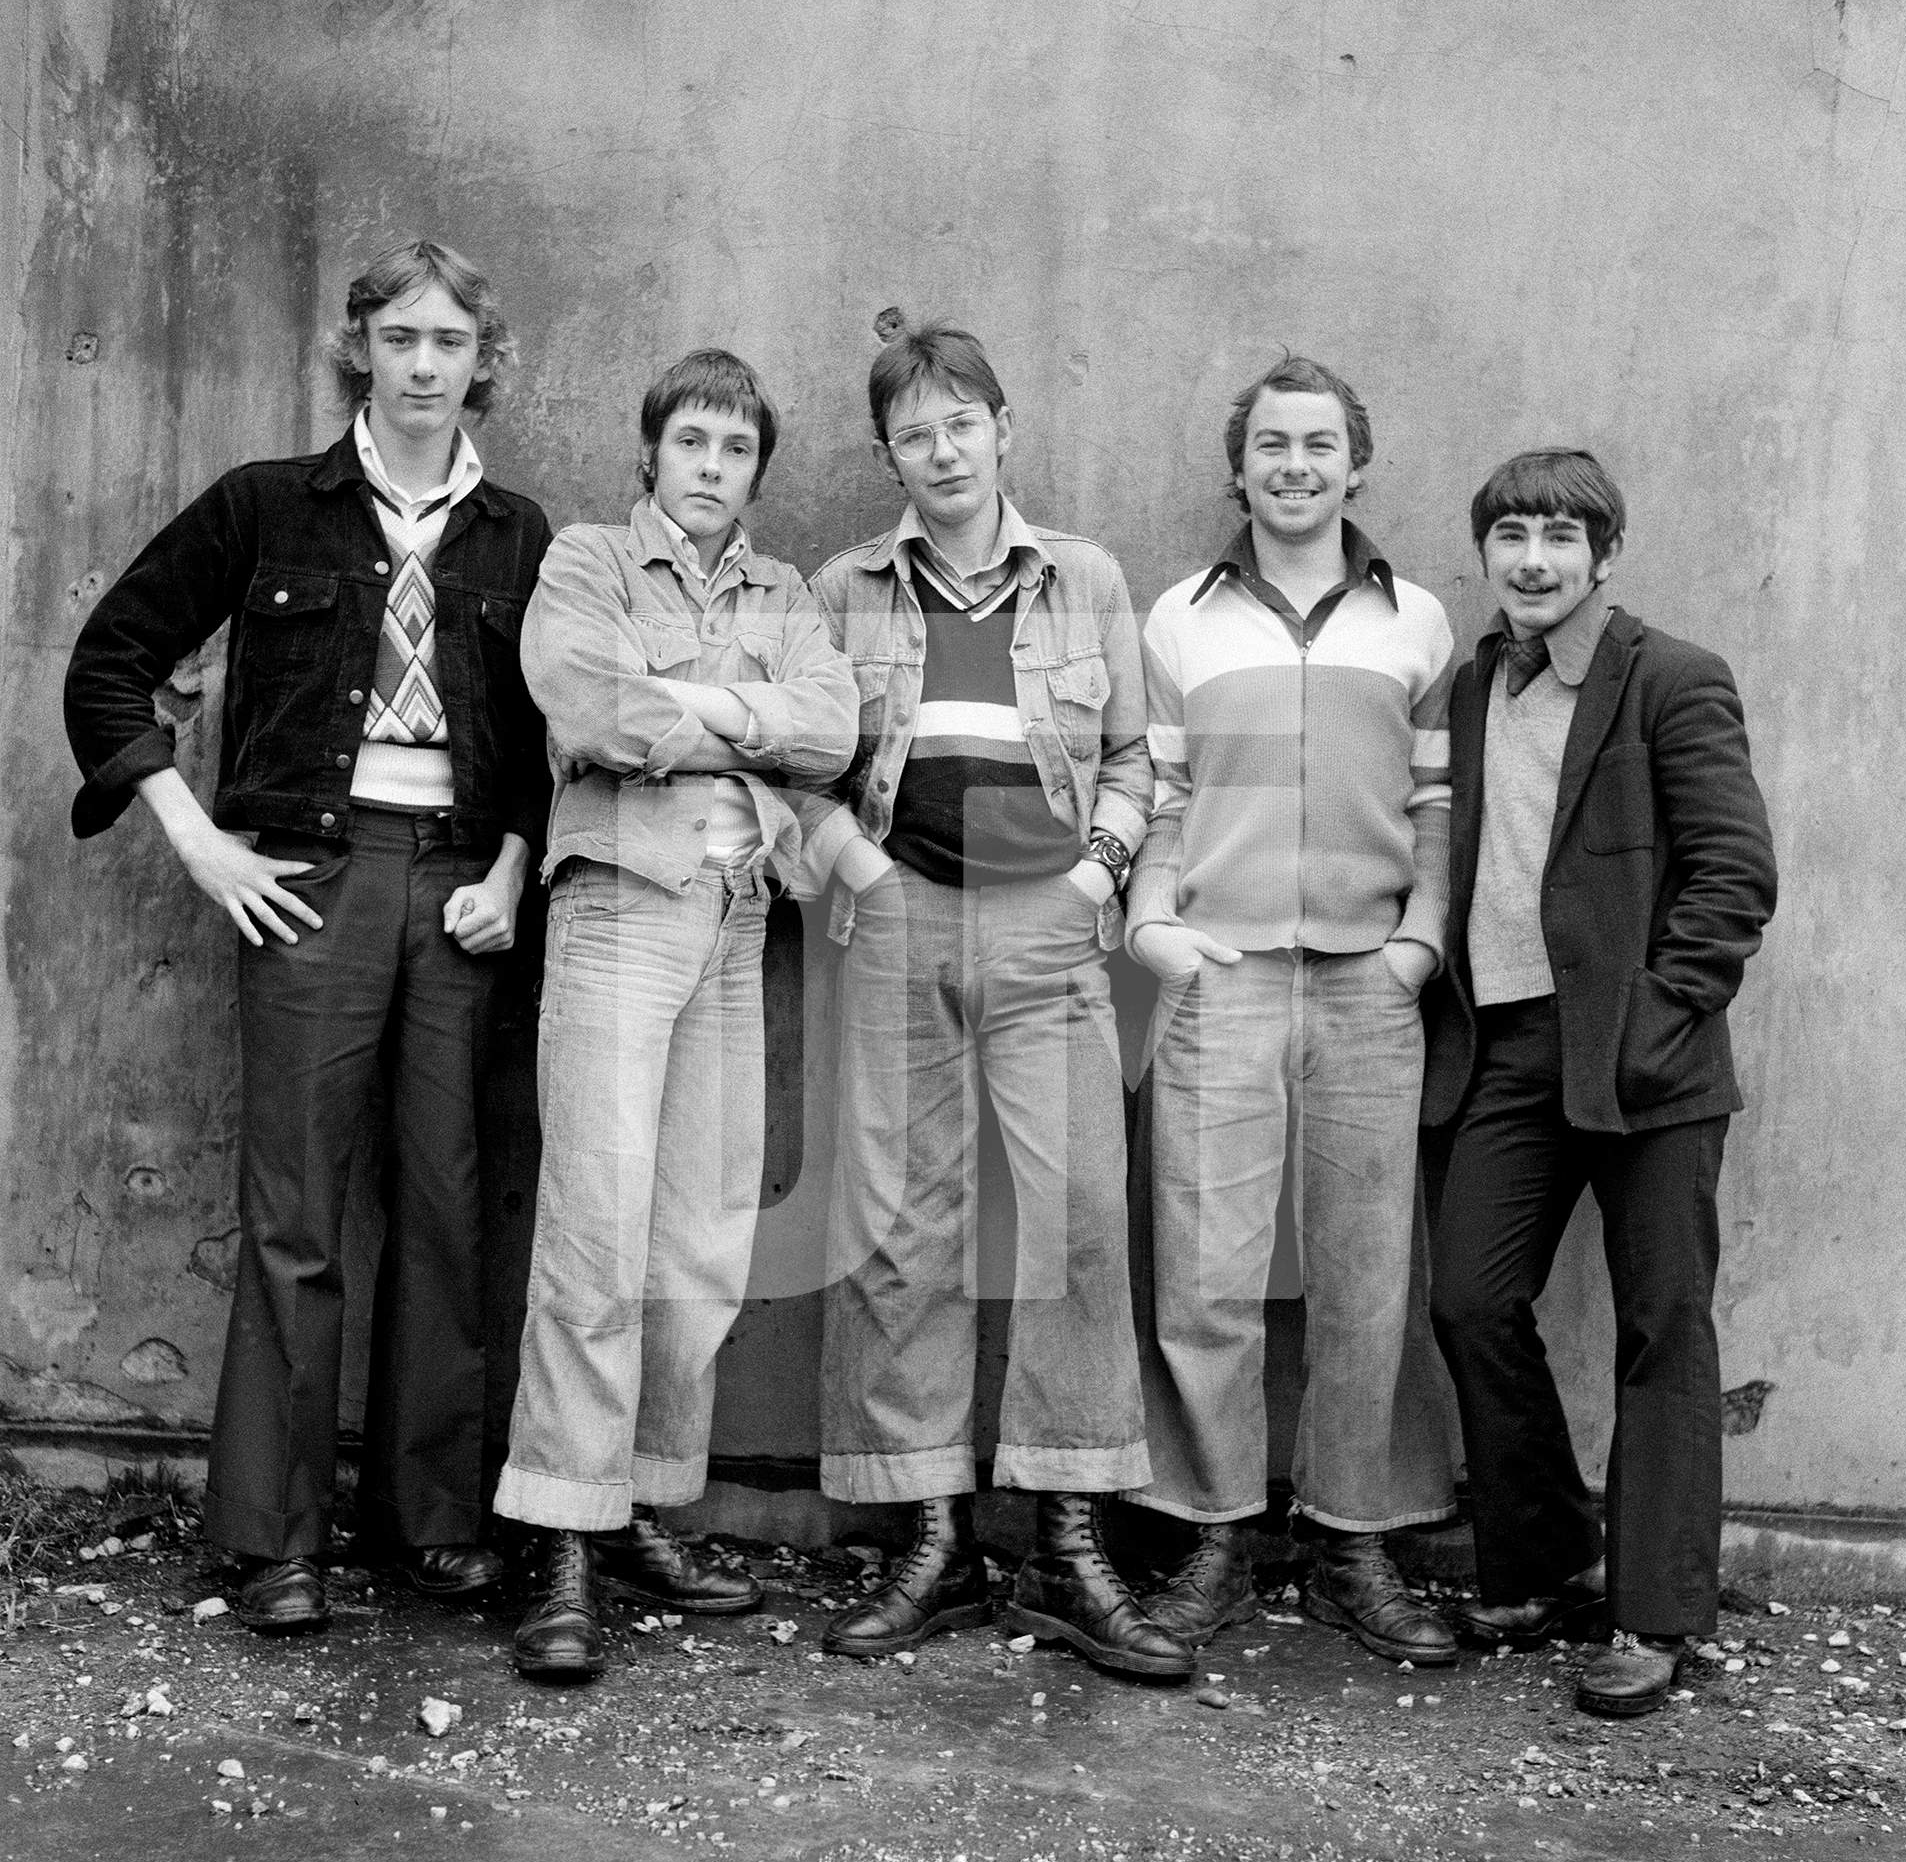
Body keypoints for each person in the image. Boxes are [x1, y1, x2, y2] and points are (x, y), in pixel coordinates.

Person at [63, 239, 552, 1633]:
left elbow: (543, 740)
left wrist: (515, 868)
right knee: (297, 1214)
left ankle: (433, 1525)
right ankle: (277, 1540)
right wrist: (197, 838)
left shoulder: (522, 536)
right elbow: (111, 663)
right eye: (398, 339)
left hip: (458, 891)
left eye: (448, 343)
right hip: (309, 887)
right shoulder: (269, 507)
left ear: (481, 362)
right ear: (361, 352)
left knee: (449, 1211)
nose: (421, 366)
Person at [797, 322, 1192, 1680]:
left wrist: (1097, 877)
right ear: (887, 455)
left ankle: (1070, 1544)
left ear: (1004, 430)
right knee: (905, 1228)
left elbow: (1144, 755)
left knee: (1081, 1216)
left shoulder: (1083, 577)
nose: (943, 448)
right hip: (896, 922)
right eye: (915, 431)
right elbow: (795, 755)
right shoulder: (842, 585)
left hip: (1048, 934)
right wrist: (851, 858)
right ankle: (930, 1541)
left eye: (963, 422)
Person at [493, 349, 859, 1683]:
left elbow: (835, 727)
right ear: (650, 452)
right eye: (692, 441)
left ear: (759, 469)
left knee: (699, 1241)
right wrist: (743, 725)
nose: (712, 467)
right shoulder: (588, 560)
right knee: (594, 1231)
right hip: (617, 909)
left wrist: (691, 713)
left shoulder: (784, 591)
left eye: (736, 448)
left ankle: (643, 1503)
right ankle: (561, 1541)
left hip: (736, 913)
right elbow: (581, 702)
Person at [1423, 448, 1776, 1717]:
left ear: (1605, 555)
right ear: (1487, 554)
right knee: (1469, 1296)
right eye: (1512, 535)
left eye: (1562, 538)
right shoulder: (1476, 685)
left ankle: (1653, 1614)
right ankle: (1546, 1556)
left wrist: (1663, 1012)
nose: (1534, 559)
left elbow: (1735, 872)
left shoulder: (1671, 677)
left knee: (1661, 1328)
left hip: (1647, 1059)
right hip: (1507, 1049)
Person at [1123, 353, 1461, 1664]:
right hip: (1225, 970)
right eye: (1273, 444)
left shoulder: (1416, 623)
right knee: (1205, 1266)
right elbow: (1159, 795)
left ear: (1356, 464)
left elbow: (1437, 807)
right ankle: (1213, 1533)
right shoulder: (1181, 621)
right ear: (1240, 465)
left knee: (1369, 1269)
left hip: (1373, 982)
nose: (1296, 465)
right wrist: (1158, 925)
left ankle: (1351, 1544)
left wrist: (1421, 944)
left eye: (1319, 444)